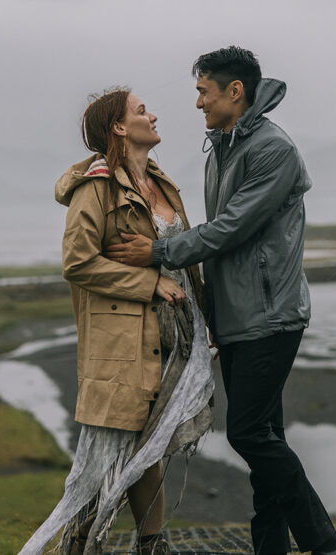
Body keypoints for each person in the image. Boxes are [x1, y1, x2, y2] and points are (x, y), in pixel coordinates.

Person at [106, 47, 336, 555]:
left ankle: (326, 543)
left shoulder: (272, 151)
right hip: (241, 319)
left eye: (203, 91)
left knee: (247, 435)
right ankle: (273, 549)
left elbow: (230, 230)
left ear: (234, 91)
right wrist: (214, 317)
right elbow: (223, 247)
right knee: (267, 438)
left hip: (271, 316)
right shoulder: (223, 146)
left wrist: (158, 251)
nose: (197, 103)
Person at [18, 87, 215, 555]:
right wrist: (148, 285)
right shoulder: (96, 189)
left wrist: (206, 325)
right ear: (120, 128)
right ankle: (83, 546)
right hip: (123, 339)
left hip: (176, 336)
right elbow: (78, 262)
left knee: (148, 446)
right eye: (142, 110)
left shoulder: (163, 184)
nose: (153, 114)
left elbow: (185, 266)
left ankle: (151, 546)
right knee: (109, 452)